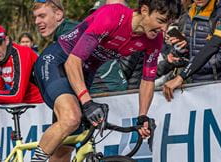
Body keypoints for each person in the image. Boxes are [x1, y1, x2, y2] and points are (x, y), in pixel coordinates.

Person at [31, 0, 181, 161]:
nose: (164, 29)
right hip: (58, 61)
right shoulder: (113, 16)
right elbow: (72, 62)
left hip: (84, 72)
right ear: (144, 10)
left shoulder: (154, 39)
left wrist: (142, 116)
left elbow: (148, 80)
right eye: (160, 21)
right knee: (71, 118)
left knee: (64, 147)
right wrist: (87, 102)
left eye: (169, 23)